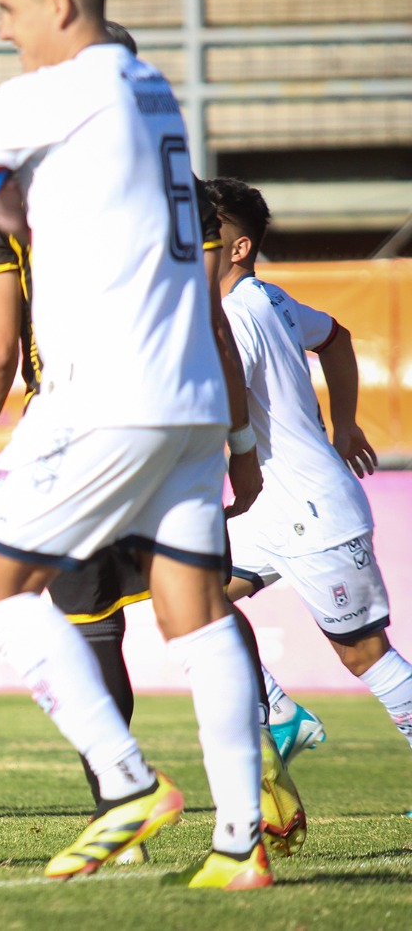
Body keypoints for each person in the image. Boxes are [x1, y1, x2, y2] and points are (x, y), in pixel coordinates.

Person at [0, 0, 268, 888]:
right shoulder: (151, 91)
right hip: (186, 399)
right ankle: (240, 844)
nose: (5, 34)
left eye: (8, 13)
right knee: (197, 613)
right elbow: (38, 202)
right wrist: (240, 434)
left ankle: (126, 779)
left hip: (105, 394)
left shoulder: (59, 89)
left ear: (59, 5)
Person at [211, 177, 412, 772]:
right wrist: (344, 425)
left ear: (239, 247)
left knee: (365, 655)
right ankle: (279, 712)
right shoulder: (270, 299)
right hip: (270, 507)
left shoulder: (237, 314)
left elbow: (228, 408)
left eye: (207, 232)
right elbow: (337, 337)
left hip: (312, 510)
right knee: (192, 599)